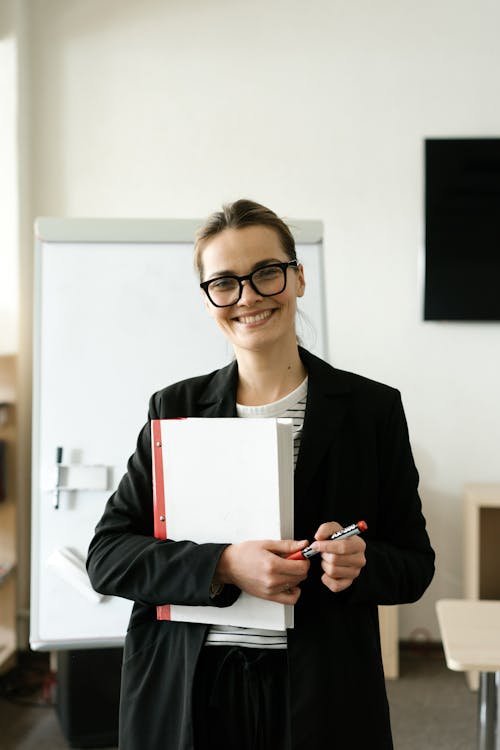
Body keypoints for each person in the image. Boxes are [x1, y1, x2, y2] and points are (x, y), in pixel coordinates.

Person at [87, 199, 435, 750]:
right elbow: (108, 557)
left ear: (297, 278)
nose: (247, 296)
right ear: (208, 301)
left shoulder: (372, 410)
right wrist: (223, 564)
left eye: (266, 273)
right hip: (190, 689)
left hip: (322, 690)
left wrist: (359, 564)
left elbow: (414, 566)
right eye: (224, 283)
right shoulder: (175, 408)